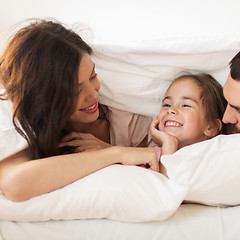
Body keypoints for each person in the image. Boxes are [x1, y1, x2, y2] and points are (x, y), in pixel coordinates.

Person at [0, 19, 158, 202]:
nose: (93, 95)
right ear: (45, 98)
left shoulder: (128, 119)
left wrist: (112, 149)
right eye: (75, 90)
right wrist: (114, 153)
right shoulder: (32, 129)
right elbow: (15, 184)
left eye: (93, 76)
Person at [150, 73, 227, 175]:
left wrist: (169, 144)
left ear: (211, 127)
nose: (171, 109)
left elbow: (169, 187)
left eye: (185, 105)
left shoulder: (210, 159)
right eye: (167, 105)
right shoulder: (150, 156)